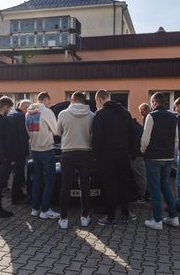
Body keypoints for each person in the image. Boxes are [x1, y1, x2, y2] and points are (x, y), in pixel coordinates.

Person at [92, 89, 136, 225]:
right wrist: (131, 153)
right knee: (123, 184)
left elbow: (96, 137)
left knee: (110, 185)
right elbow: (132, 134)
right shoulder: (125, 113)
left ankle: (110, 217)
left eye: (96, 102)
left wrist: (95, 155)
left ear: (99, 100)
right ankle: (126, 214)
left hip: (106, 156)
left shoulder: (100, 114)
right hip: (123, 155)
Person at [141, 92, 179, 230]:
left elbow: (145, 139)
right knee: (166, 186)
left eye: (151, 102)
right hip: (168, 157)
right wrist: (172, 154)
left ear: (155, 103)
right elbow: (176, 139)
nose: (151, 105)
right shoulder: (173, 117)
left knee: (155, 188)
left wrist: (142, 150)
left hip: (153, 157)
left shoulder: (151, 116)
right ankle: (173, 217)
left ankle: (157, 220)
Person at [57, 91, 94, 229]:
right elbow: (93, 134)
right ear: (84, 101)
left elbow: (58, 132)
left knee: (65, 186)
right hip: (85, 153)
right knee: (85, 186)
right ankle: (85, 217)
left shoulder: (63, 114)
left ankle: (63, 219)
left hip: (68, 153)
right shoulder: (92, 115)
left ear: (72, 100)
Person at [26, 92, 60, 219]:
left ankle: (35, 208)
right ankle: (45, 209)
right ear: (45, 100)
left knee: (37, 178)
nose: (49, 105)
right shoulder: (46, 111)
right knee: (50, 179)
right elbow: (56, 130)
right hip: (46, 149)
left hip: (35, 150)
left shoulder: (28, 113)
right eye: (48, 102)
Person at [8, 100, 31, 204]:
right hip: (19, 151)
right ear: (25, 108)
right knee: (18, 174)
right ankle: (16, 197)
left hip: (11, 150)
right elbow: (22, 136)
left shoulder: (11, 114)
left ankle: (19, 194)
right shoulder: (21, 117)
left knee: (17, 174)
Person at [130, 118, 147, 203]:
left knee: (140, 176)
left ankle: (142, 196)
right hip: (139, 154)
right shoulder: (138, 127)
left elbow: (135, 143)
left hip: (137, 155)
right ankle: (143, 194)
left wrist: (133, 155)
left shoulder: (133, 128)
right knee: (141, 175)